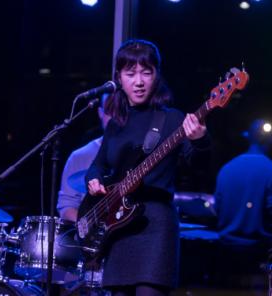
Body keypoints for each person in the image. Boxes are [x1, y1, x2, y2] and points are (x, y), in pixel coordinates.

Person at [86, 39, 210, 296]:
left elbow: (198, 165)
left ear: (157, 75)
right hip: (118, 227)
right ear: (119, 78)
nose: (139, 81)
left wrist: (200, 141)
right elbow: (97, 166)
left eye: (146, 72)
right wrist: (94, 180)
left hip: (155, 226)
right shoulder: (116, 124)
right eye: (130, 74)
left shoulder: (173, 118)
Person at [214, 119, 272, 249]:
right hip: (258, 250)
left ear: (248, 136)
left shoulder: (226, 169)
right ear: (271, 139)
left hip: (224, 249)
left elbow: (217, 208)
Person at [57, 95, 111, 222]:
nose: (114, 117)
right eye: (109, 111)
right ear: (100, 113)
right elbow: (66, 207)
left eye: (119, 111)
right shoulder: (79, 156)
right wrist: (90, 227)